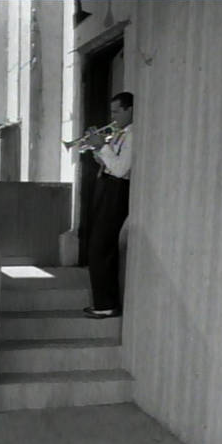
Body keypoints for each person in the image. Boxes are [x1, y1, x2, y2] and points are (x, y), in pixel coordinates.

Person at [83, 91, 133, 318]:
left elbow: (122, 169)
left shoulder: (132, 135)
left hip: (116, 190)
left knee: (101, 247)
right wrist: (98, 149)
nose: (112, 117)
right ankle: (103, 303)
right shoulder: (121, 133)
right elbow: (111, 162)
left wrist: (102, 148)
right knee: (98, 246)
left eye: (116, 111)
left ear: (129, 110)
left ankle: (106, 305)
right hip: (107, 186)